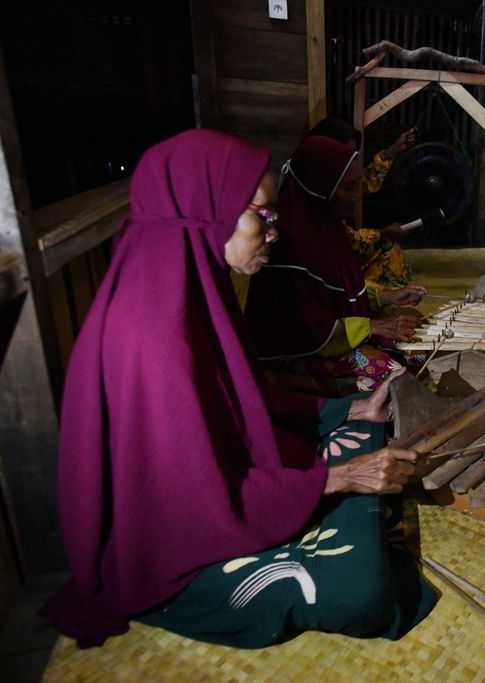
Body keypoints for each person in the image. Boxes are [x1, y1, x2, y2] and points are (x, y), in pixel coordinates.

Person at [41, 129, 436, 648]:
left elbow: (243, 402)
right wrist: (338, 480)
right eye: (263, 216)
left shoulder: (192, 281)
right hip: (163, 546)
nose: (275, 231)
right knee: (361, 591)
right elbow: (188, 502)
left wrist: (344, 410)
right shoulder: (152, 335)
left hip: (214, 487)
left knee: (365, 429)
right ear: (208, 210)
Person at [245, 135, 424, 392]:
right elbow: (306, 329)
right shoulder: (290, 246)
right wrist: (373, 326)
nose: (355, 196)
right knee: (395, 377)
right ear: (321, 189)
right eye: (348, 187)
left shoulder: (329, 229)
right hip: (297, 352)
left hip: (335, 334)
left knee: (418, 341)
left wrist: (387, 297)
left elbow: (339, 290)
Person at [307, 117, 419, 290]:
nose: (355, 196)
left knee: (390, 251)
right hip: (321, 272)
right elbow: (343, 242)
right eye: (345, 154)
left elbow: (364, 183)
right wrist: (383, 233)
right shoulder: (311, 189)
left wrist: (393, 150)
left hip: (344, 251)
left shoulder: (337, 179)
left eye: (353, 156)